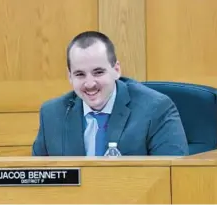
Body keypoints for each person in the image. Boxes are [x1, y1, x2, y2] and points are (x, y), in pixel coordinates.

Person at [32, 31, 189, 156]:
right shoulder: (52, 114)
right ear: (70, 77)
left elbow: (172, 175)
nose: (90, 84)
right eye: (80, 74)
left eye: (98, 72)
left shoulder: (156, 109)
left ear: (116, 70)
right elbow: (37, 182)